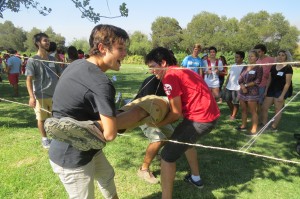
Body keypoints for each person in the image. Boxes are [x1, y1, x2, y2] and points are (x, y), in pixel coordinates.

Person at [46, 24, 130, 199]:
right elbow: (110, 134)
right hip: (71, 157)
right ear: (102, 48)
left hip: (89, 147)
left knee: (107, 178)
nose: (124, 54)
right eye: (120, 48)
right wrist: (133, 116)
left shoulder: (78, 64)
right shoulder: (101, 83)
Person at [145, 47, 220, 199]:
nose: (151, 71)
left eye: (153, 67)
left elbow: (175, 113)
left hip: (200, 119)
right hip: (208, 116)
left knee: (166, 156)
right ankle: (195, 178)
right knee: (187, 143)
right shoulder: (181, 70)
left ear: (163, 63)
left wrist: (157, 124)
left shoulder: (170, 76)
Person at [132, 75, 174, 184]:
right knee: (158, 140)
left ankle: (160, 154)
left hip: (159, 113)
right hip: (142, 113)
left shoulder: (173, 81)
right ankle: (143, 169)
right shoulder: (153, 81)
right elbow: (146, 104)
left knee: (172, 136)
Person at [25, 33, 61, 149]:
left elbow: (60, 74)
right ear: (38, 43)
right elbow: (28, 80)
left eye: (48, 40)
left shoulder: (52, 59)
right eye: (45, 40)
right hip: (41, 95)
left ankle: (56, 138)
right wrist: (31, 97)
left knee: (55, 118)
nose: (48, 42)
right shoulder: (32, 60)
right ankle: (45, 139)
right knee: (41, 118)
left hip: (55, 94)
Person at [261, 50, 293, 132]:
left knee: (277, 110)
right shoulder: (273, 66)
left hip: (281, 91)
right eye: (279, 55)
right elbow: (269, 80)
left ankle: (273, 127)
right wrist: (266, 91)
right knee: (264, 107)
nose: (280, 56)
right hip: (271, 90)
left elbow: (288, 83)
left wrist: (282, 95)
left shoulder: (288, 67)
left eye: (283, 55)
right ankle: (264, 125)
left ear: (286, 57)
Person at [237, 50, 263, 135]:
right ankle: (243, 125)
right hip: (242, 91)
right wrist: (242, 86)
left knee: (253, 111)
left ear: (256, 58)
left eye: (252, 56)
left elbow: (257, 81)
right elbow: (240, 79)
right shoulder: (245, 67)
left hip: (252, 92)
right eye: (249, 56)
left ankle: (254, 129)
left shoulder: (259, 67)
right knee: (244, 110)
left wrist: (246, 86)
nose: (250, 57)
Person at [253, 44, 275, 121]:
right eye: (256, 52)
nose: (257, 53)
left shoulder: (271, 60)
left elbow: (274, 72)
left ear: (263, 51)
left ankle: (262, 119)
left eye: (258, 52)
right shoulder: (256, 61)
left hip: (266, 84)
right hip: (256, 85)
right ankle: (258, 117)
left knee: (262, 103)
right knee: (257, 102)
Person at [222, 51, 245, 120]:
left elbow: (244, 77)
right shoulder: (233, 65)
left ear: (242, 58)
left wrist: (242, 86)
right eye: (235, 57)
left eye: (237, 57)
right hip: (229, 86)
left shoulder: (244, 66)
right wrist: (225, 84)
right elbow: (229, 75)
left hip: (237, 87)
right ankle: (233, 112)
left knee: (235, 102)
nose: (235, 58)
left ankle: (233, 116)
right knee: (227, 100)